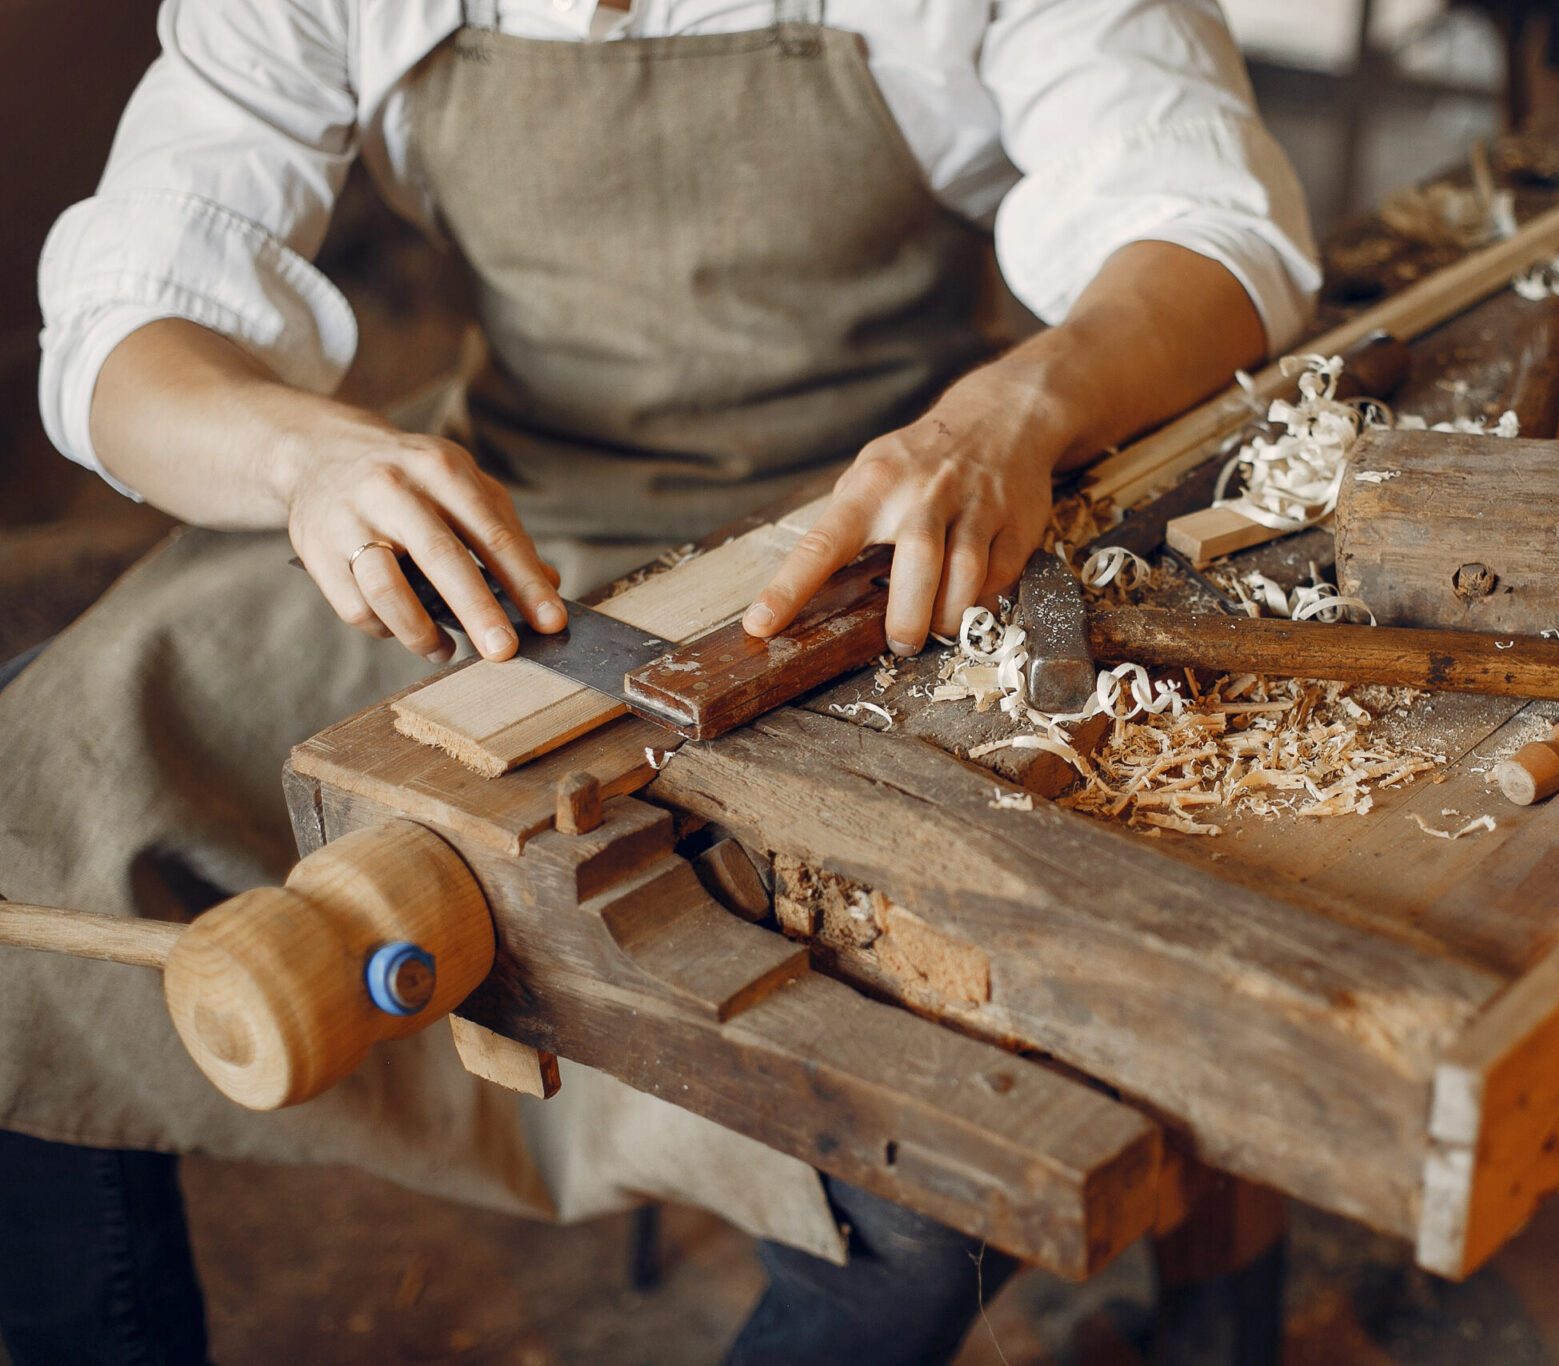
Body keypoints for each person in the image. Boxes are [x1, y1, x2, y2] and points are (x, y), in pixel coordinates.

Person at [1, 1, 1317, 1361]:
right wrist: (303, 459)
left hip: (866, 540)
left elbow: (1213, 229)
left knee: (930, 1170)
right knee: (33, 829)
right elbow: (125, 323)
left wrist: (1018, 410)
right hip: (503, 541)